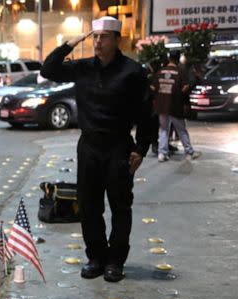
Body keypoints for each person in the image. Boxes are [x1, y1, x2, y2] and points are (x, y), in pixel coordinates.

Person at [40, 16, 154, 282]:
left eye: (104, 37)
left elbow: (147, 113)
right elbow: (48, 69)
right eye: (95, 37)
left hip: (119, 147)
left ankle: (115, 261)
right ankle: (96, 257)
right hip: (89, 147)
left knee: (120, 207)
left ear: (117, 40)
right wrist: (69, 44)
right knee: (89, 206)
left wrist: (141, 148)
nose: (98, 42)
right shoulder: (83, 68)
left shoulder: (133, 72)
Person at [152, 50, 201, 162]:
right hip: (175, 105)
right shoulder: (180, 72)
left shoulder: (160, 71)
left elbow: (153, 88)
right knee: (181, 129)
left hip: (162, 105)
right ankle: (189, 152)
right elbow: (185, 88)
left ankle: (162, 154)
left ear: (169, 58)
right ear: (178, 59)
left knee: (163, 129)